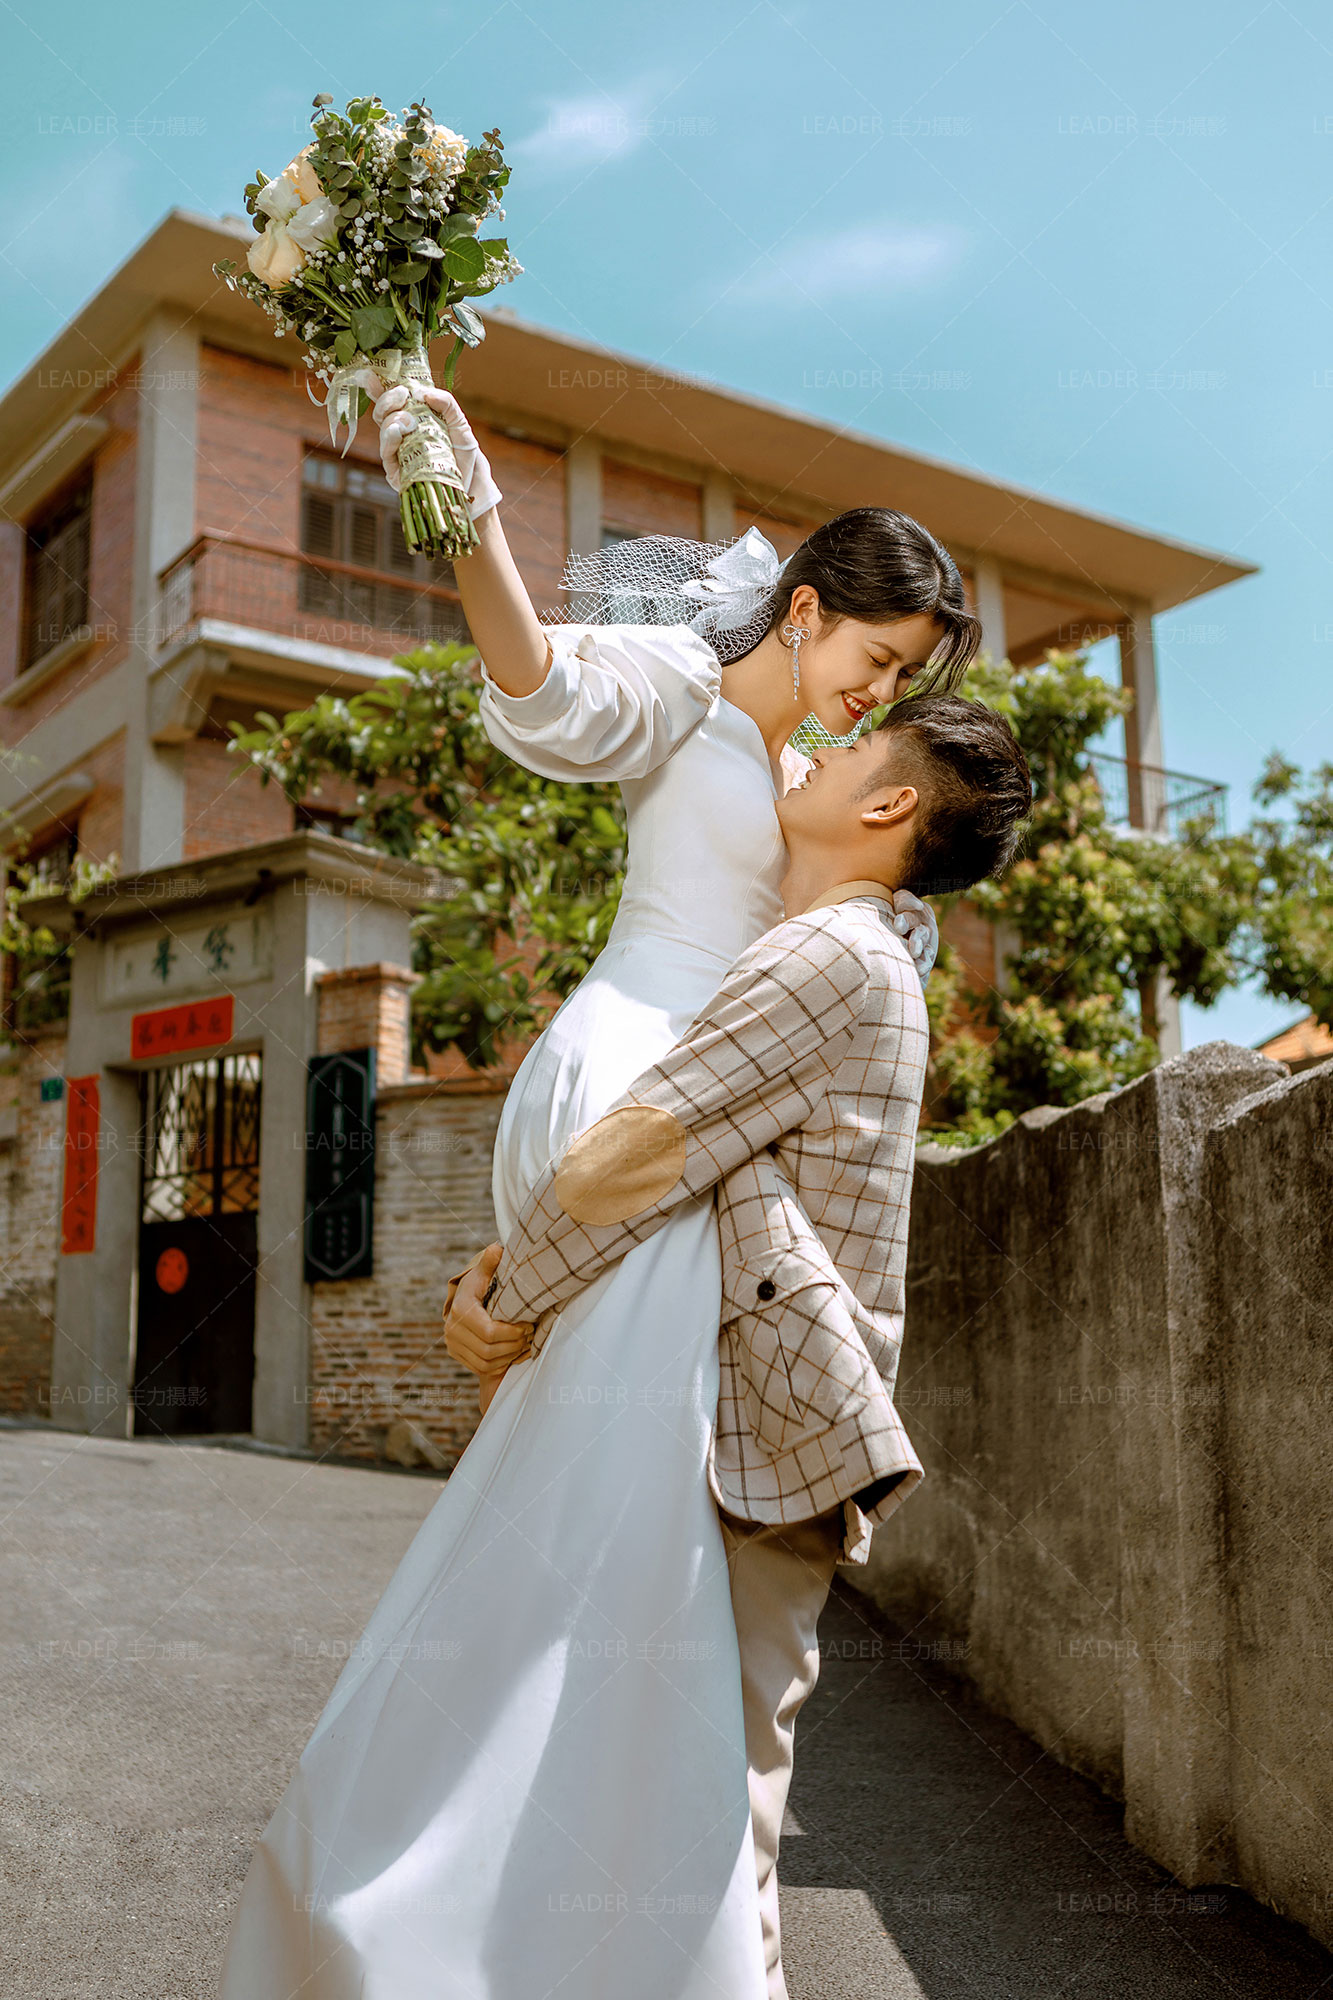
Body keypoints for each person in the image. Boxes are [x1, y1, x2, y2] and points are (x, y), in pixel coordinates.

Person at [216, 392, 981, 1999]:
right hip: (639, 1096)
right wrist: (468, 511)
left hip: (688, 1120)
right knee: (619, 1527)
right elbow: (536, 679)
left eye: (902, 684)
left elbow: (853, 923)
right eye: (876, 658)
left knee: (604, 1524)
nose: (878, 695)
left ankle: (529, 1904)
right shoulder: (687, 695)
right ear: (805, 608)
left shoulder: (812, 773)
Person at [443, 698, 1032, 1998]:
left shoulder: (828, 955)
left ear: (887, 805)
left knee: (711, 1831)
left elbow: (640, 1150)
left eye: (846, 749)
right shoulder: (864, 948)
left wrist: (502, 1304)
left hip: (760, 1431)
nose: (810, 752)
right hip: (782, 1431)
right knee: (698, 1813)